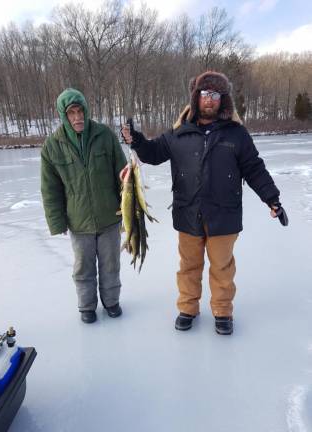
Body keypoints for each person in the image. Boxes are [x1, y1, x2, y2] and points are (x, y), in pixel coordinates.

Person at [121, 71, 288, 335]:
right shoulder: (179, 133)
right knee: (189, 265)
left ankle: (222, 311)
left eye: (215, 95)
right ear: (195, 97)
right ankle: (188, 307)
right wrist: (137, 141)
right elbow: (153, 154)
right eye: (204, 94)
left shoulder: (237, 134)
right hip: (188, 213)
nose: (209, 100)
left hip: (225, 215)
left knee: (222, 267)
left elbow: (254, 169)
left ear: (223, 100)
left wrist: (272, 198)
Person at [41, 88, 127, 324]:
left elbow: (123, 176)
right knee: (83, 268)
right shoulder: (52, 145)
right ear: (64, 116)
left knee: (111, 264)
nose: (78, 117)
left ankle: (111, 301)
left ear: (86, 111)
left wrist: (130, 210)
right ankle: (87, 306)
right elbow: (50, 189)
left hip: (110, 216)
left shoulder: (105, 135)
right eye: (72, 113)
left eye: (80, 111)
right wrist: (57, 222)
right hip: (78, 221)